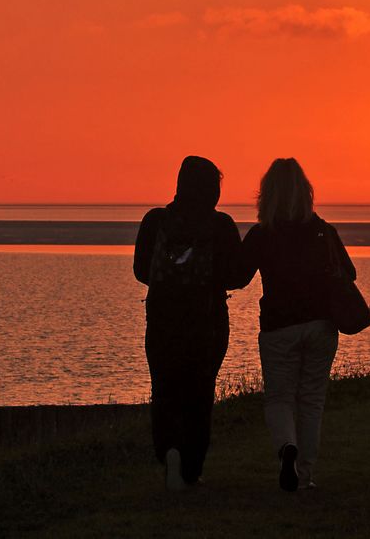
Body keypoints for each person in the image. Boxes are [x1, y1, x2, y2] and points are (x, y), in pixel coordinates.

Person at [232, 157, 355, 491]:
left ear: (266, 195)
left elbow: (238, 276)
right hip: (320, 325)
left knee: (279, 398)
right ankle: (305, 474)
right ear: (306, 193)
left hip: (278, 326)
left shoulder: (263, 234)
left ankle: (287, 447)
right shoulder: (323, 231)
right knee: (311, 399)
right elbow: (350, 274)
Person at [133, 156, 241, 490]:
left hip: (163, 320)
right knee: (199, 393)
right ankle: (192, 469)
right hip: (207, 320)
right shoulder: (221, 225)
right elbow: (236, 276)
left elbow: (140, 270)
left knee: (165, 390)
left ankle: (169, 454)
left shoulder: (156, 220)